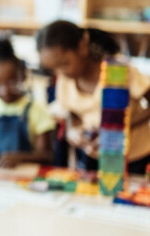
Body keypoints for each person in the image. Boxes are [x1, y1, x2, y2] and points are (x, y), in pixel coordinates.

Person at [36, 20, 150, 173]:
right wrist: (73, 130)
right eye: (53, 69)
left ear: (82, 46)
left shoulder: (118, 70)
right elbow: (71, 113)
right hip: (95, 157)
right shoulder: (65, 80)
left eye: (64, 64)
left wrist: (120, 126)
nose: (60, 73)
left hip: (135, 158)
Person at [0, 38, 56, 168]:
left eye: (12, 82)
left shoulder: (36, 109)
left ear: (23, 77)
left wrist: (21, 158)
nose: (5, 91)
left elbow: (47, 156)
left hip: (23, 176)